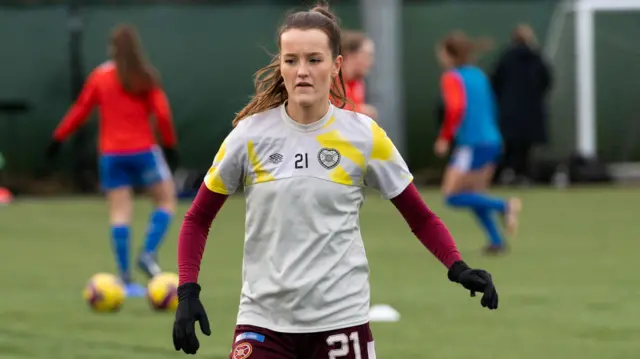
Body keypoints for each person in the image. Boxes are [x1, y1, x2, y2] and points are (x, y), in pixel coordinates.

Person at [172, 5, 499, 358]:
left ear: (337, 65)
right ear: (280, 65)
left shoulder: (363, 136)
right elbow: (197, 219)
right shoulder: (249, 136)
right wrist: (187, 291)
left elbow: (419, 217)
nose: (301, 72)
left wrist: (458, 267)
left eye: (314, 60)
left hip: (341, 324)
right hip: (263, 323)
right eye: (291, 60)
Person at [47, 24, 178, 297]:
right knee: (165, 199)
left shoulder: (100, 76)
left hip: (111, 155)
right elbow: (162, 114)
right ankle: (148, 253)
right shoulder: (144, 76)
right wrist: (169, 146)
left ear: (111, 48)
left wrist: (59, 138)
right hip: (143, 151)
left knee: (120, 213)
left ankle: (125, 278)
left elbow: (81, 109)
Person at [434, 31, 521, 254]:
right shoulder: (478, 75)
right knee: (475, 194)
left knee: (452, 196)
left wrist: (444, 138)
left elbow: (455, 108)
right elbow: (491, 107)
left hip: (472, 144)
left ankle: (504, 205)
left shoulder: (452, 77)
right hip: (491, 141)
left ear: (448, 54)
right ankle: (496, 241)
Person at [491, 24, 553, 186]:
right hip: (531, 112)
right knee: (526, 147)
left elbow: (495, 82)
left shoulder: (505, 59)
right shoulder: (537, 58)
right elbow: (546, 81)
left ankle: (502, 174)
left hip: (509, 112)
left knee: (509, 146)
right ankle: (523, 175)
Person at [334, 30, 378, 119]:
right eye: (367, 55)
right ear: (350, 55)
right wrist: (361, 111)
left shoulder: (358, 83)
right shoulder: (330, 81)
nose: (371, 62)